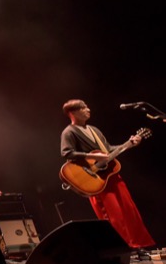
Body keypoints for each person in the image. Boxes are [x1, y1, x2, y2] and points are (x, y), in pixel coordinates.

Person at [60, 99, 155, 249]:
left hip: (111, 175)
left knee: (129, 209)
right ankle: (122, 247)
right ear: (72, 113)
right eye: (83, 108)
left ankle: (138, 245)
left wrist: (129, 144)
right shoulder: (69, 132)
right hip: (95, 178)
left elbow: (108, 149)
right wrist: (92, 157)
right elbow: (67, 153)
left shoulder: (94, 129)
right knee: (113, 215)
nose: (88, 109)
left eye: (87, 106)